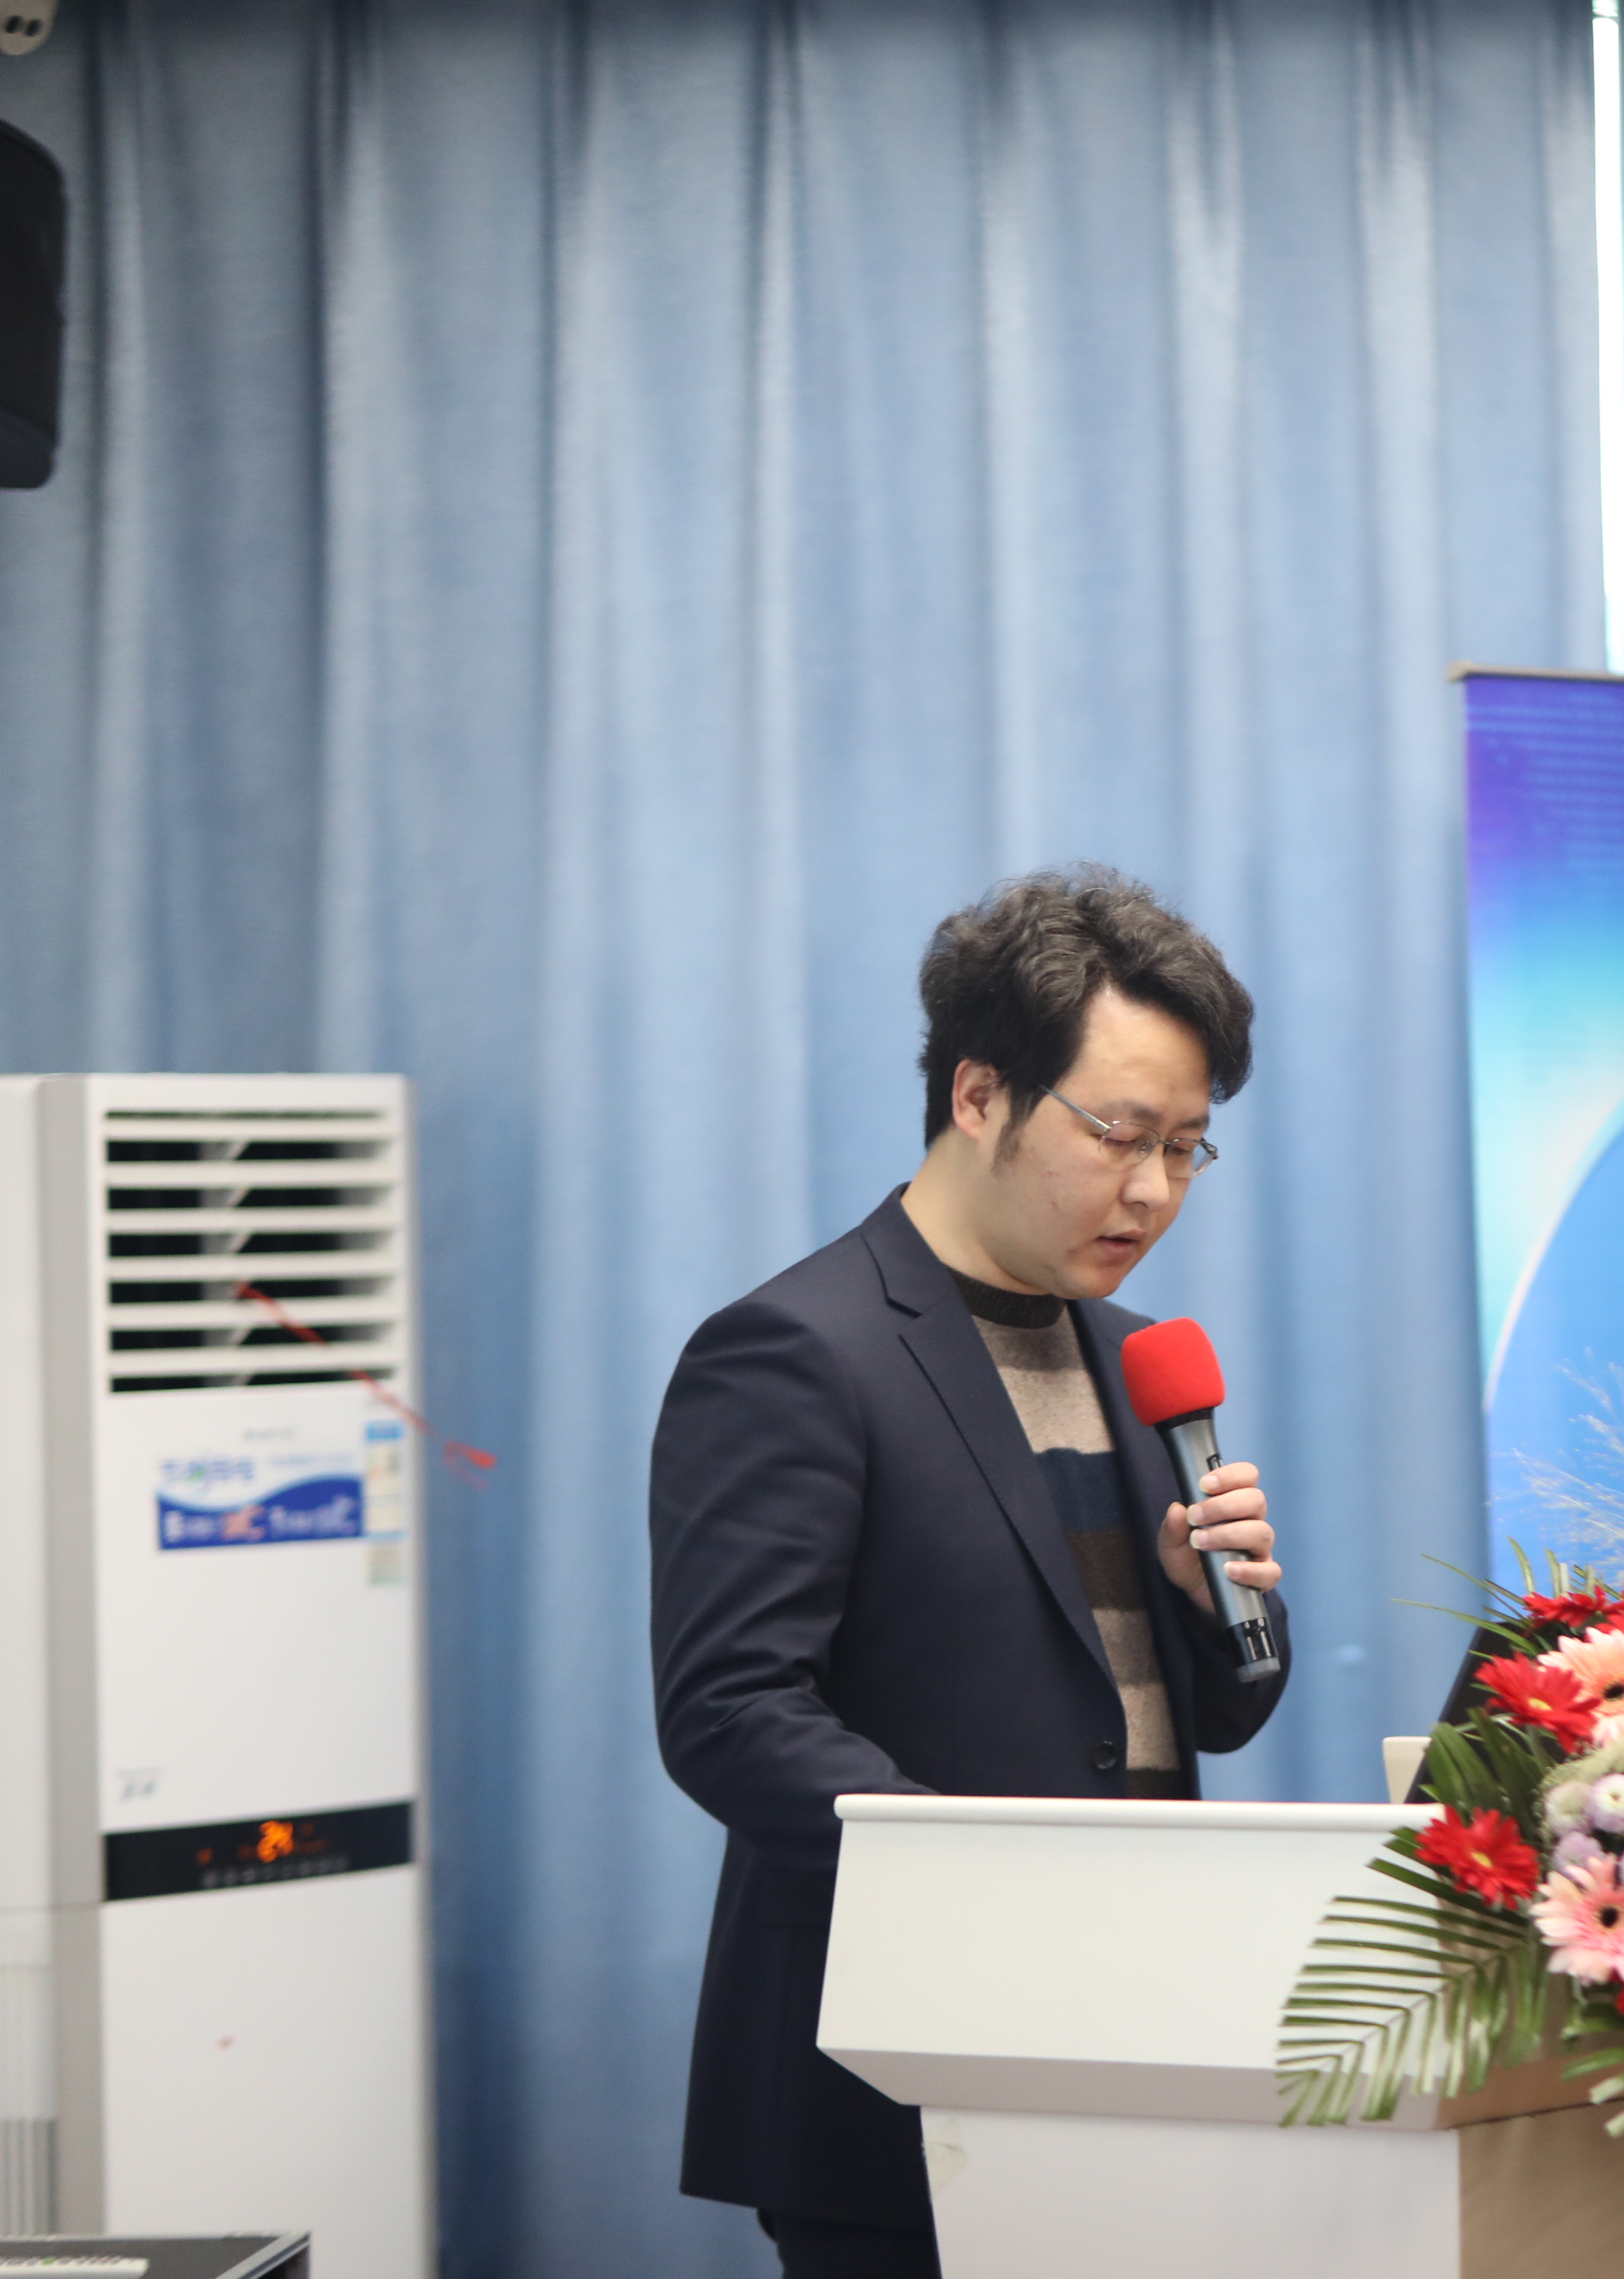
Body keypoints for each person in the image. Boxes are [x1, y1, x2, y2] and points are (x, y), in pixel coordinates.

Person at [649, 868, 1292, 2279]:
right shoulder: (795, 1352)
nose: (1153, 1190)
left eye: (1188, 1148)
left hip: (1136, 2039)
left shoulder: (1134, 1357)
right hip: (899, 2068)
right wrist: (990, 1884)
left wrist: (1216, 1614)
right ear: (981, 1094)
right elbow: (731, 1713)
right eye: (1120, 1135)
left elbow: (1212, 1713)